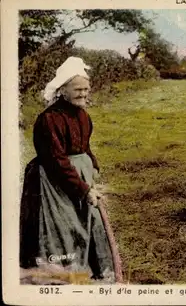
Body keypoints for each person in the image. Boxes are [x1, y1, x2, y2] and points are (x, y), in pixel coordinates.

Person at [19, 57, 115, 282]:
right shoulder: (49, 119)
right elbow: (57, 161)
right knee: (62, 228)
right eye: (78, 90)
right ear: (63, 91)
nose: (83, 94)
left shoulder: (83, 115)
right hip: (54, 182)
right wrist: (83, 189)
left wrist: (94, 168)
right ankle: (62, 275)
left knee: (88, 223)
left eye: (86, 90)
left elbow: (84, 146)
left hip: (78, 178)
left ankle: (88, 269)